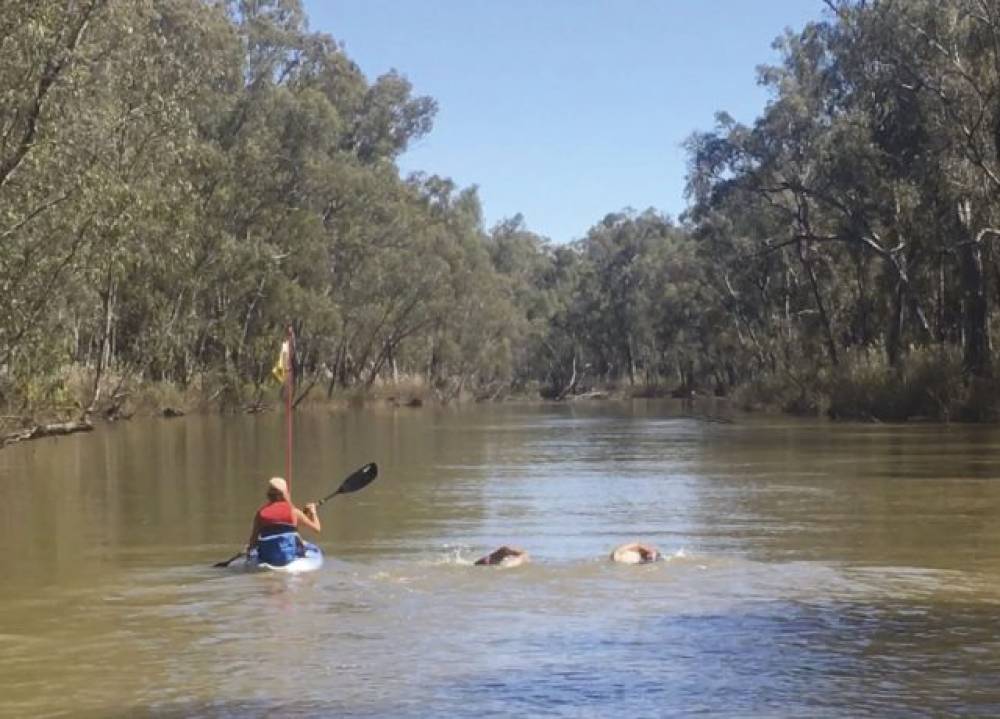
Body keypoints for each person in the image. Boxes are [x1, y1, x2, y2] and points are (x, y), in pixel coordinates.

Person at [245, 477, 321, 566]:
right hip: (289, 556)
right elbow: (317, 528)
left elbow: (253, 539)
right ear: (284, 494)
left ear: (268, 494)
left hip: (268, 557)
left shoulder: (261, 514)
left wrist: (249, 550)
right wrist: (313, 512)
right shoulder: (294, 512)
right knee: (311, 547)